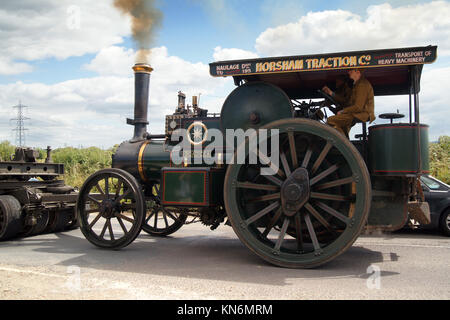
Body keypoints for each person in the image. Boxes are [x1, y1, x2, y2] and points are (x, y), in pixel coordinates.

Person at [325, 68, 375, 137]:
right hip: (356, 113)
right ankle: (345, 141)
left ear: (357, 72)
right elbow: (348, 102)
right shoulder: (357, 84)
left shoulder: (362, 85)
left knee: (331, 120)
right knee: (341, 125)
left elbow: (358, 107)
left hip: (362, 114)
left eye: (351, 71)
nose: (348, 72)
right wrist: (337, 109)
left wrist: (343, 111)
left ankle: (342, 143)